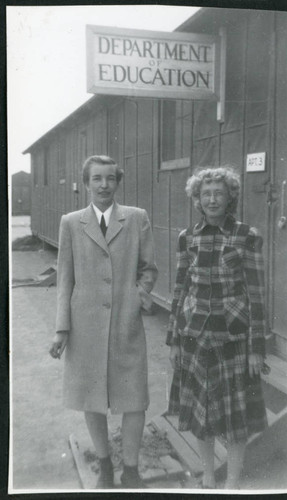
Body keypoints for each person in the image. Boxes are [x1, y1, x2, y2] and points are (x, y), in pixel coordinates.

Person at [49, 155, 157, 489]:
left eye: (110, 178)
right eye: (97, 179)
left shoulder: (136, 219)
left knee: (134, 397)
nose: (104, 185)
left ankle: (133, 470)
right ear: (86, 183)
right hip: (85, 325)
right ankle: (106, 464)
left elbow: (149, 268)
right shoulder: (71, 222)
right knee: (90, 396)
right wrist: (61, 327)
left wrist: (137, 296)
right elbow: (65, 278)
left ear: (117, 182)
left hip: (127, 322)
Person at [166, 166, 267, 490]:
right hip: (195, 337)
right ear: (197, 198)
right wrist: (174, 340)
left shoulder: (246, 236)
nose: (212, 199)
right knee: (201, 414)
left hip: (233, 340)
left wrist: (256, 347)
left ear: (230, 197)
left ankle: (233, 482)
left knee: (236, 419)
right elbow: (180, 289)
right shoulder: (188, 237)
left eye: (218, 193)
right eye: (205, 194)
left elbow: (256, 294)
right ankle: (208, 475)